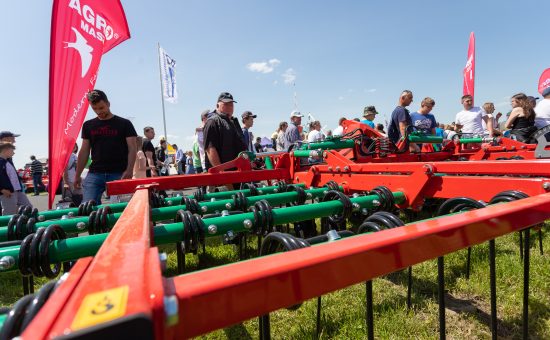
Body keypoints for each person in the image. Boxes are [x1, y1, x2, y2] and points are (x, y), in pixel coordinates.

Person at [74, 89, 137, 204]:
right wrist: (77, 174)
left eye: (101, 108)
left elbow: (132, 148)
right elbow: (84, 151)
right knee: (87, 207)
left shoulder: (124, 124)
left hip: (119, 173)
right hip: (95, 173)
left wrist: (129, 170)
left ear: (108, 104)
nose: (99, 111)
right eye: (95, 109)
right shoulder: (88, 125)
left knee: (123, 209)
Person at [203, 92, 247, 171]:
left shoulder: (233, 122)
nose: (230, 107)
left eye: (231, 104)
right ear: (217, 106)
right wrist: (222, 174)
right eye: (226, 104)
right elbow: (210, 149)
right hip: (223, 178)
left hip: (237, 173)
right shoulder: (212, 122)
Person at [0, 143, 32, 215]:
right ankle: (6, 226)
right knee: (9, 212)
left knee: (28, 207)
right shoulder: (1, 162)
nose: (14, 153)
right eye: (12, 150)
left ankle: (25, 224)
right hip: (7, 192)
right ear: (5, 150)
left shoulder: (8, 162)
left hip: (17, 190)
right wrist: (2, 189)